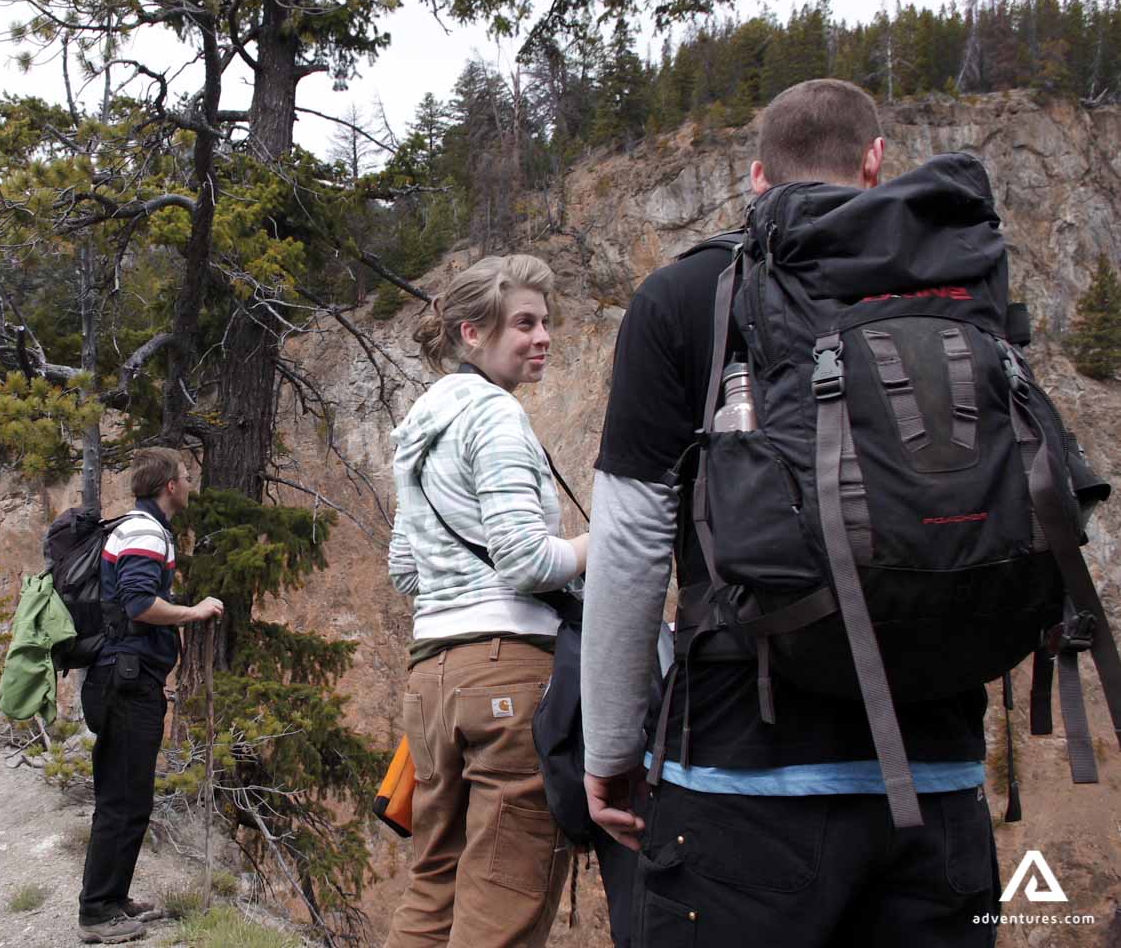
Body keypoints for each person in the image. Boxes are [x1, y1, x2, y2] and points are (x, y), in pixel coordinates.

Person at [582, 78, 1002, 946]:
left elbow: (629, 542)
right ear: (876, 163)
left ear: (755, 177)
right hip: (939, 780)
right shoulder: (956, 289)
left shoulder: (683, 295)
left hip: (741, 778)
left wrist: (611, 752)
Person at [385, 254, 589, 948]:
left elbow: (404, 569)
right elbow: (528, 561)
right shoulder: (499, 418)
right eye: (524, 323)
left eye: (546, 323)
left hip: (430, 683)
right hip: (508, 677)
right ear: (472, 332)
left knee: (433, 888)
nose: (543, 338)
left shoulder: (416, 426)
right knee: (504, 901)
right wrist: (604, 541)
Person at [77, 447, 222, 945]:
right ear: (169, 486)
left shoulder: (143, 528)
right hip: (125, 682)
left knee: (130, 795)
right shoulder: (142, 531)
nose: (188, 483)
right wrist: (193, 611)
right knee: (121, 798)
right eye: (185, 476)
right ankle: (96, 913)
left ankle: (112, 899)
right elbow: (140, 604)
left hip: (126, 678)